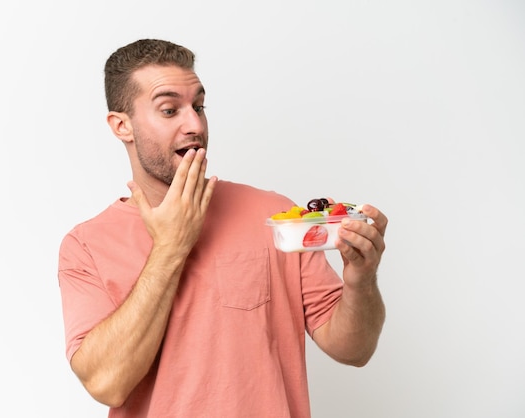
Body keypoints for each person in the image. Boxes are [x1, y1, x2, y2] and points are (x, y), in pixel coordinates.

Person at [58, 38, 388, 418]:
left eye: (198, 106)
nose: (195, 124)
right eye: (170, 110)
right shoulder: (85, 246)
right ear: (122, 126)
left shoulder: (276, 216)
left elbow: (353, 349)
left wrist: (361, 279)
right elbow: (106, 384)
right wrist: (170, 247)